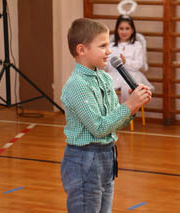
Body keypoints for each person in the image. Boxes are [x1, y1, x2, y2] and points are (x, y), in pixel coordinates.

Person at [60, 18, 152, 213]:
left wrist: (133, 108)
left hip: (106, 156)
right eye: (102, 46)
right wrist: (129, 105)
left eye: (108, 45)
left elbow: (113, 122)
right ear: (82, 50)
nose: (109, 51)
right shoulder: (77, 85)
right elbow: (99, 127)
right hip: (84, 159)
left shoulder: (104, 79)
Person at [106, 15, 154, 103]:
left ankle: (127, 112)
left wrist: (125, 62)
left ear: (132, 30)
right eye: (121, 28)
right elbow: (108, 65)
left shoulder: (137, 45)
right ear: (117, 30)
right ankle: (112, 113)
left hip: (132, 75)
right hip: (115, 74)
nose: (124, 32)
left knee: (127, 86)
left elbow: (139, 64)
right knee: (106, 87)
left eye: (127, 28)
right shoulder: (111, 46)